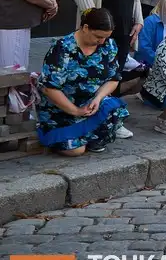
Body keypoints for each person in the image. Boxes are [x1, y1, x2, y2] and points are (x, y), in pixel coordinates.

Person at [36, 8, 131, 155]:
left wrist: (98, 98)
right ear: (85, 28)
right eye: (98, 36)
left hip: (90, 104)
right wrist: (75, 110)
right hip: (61, 108)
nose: (102, 41)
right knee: (76, 150)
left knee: (115, 110)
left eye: (106, 37)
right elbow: (49, 88)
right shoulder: (63, 48)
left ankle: (87, 136)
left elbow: (113, 78)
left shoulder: (108, 45)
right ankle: (79, 136)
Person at [74, 0, 143, 121]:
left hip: (124, 30)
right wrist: (95, 27)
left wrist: (138, 21)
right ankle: (94, 115)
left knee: (115, 74)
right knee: (97, 73)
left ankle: (111, 114)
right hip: (100, 32)